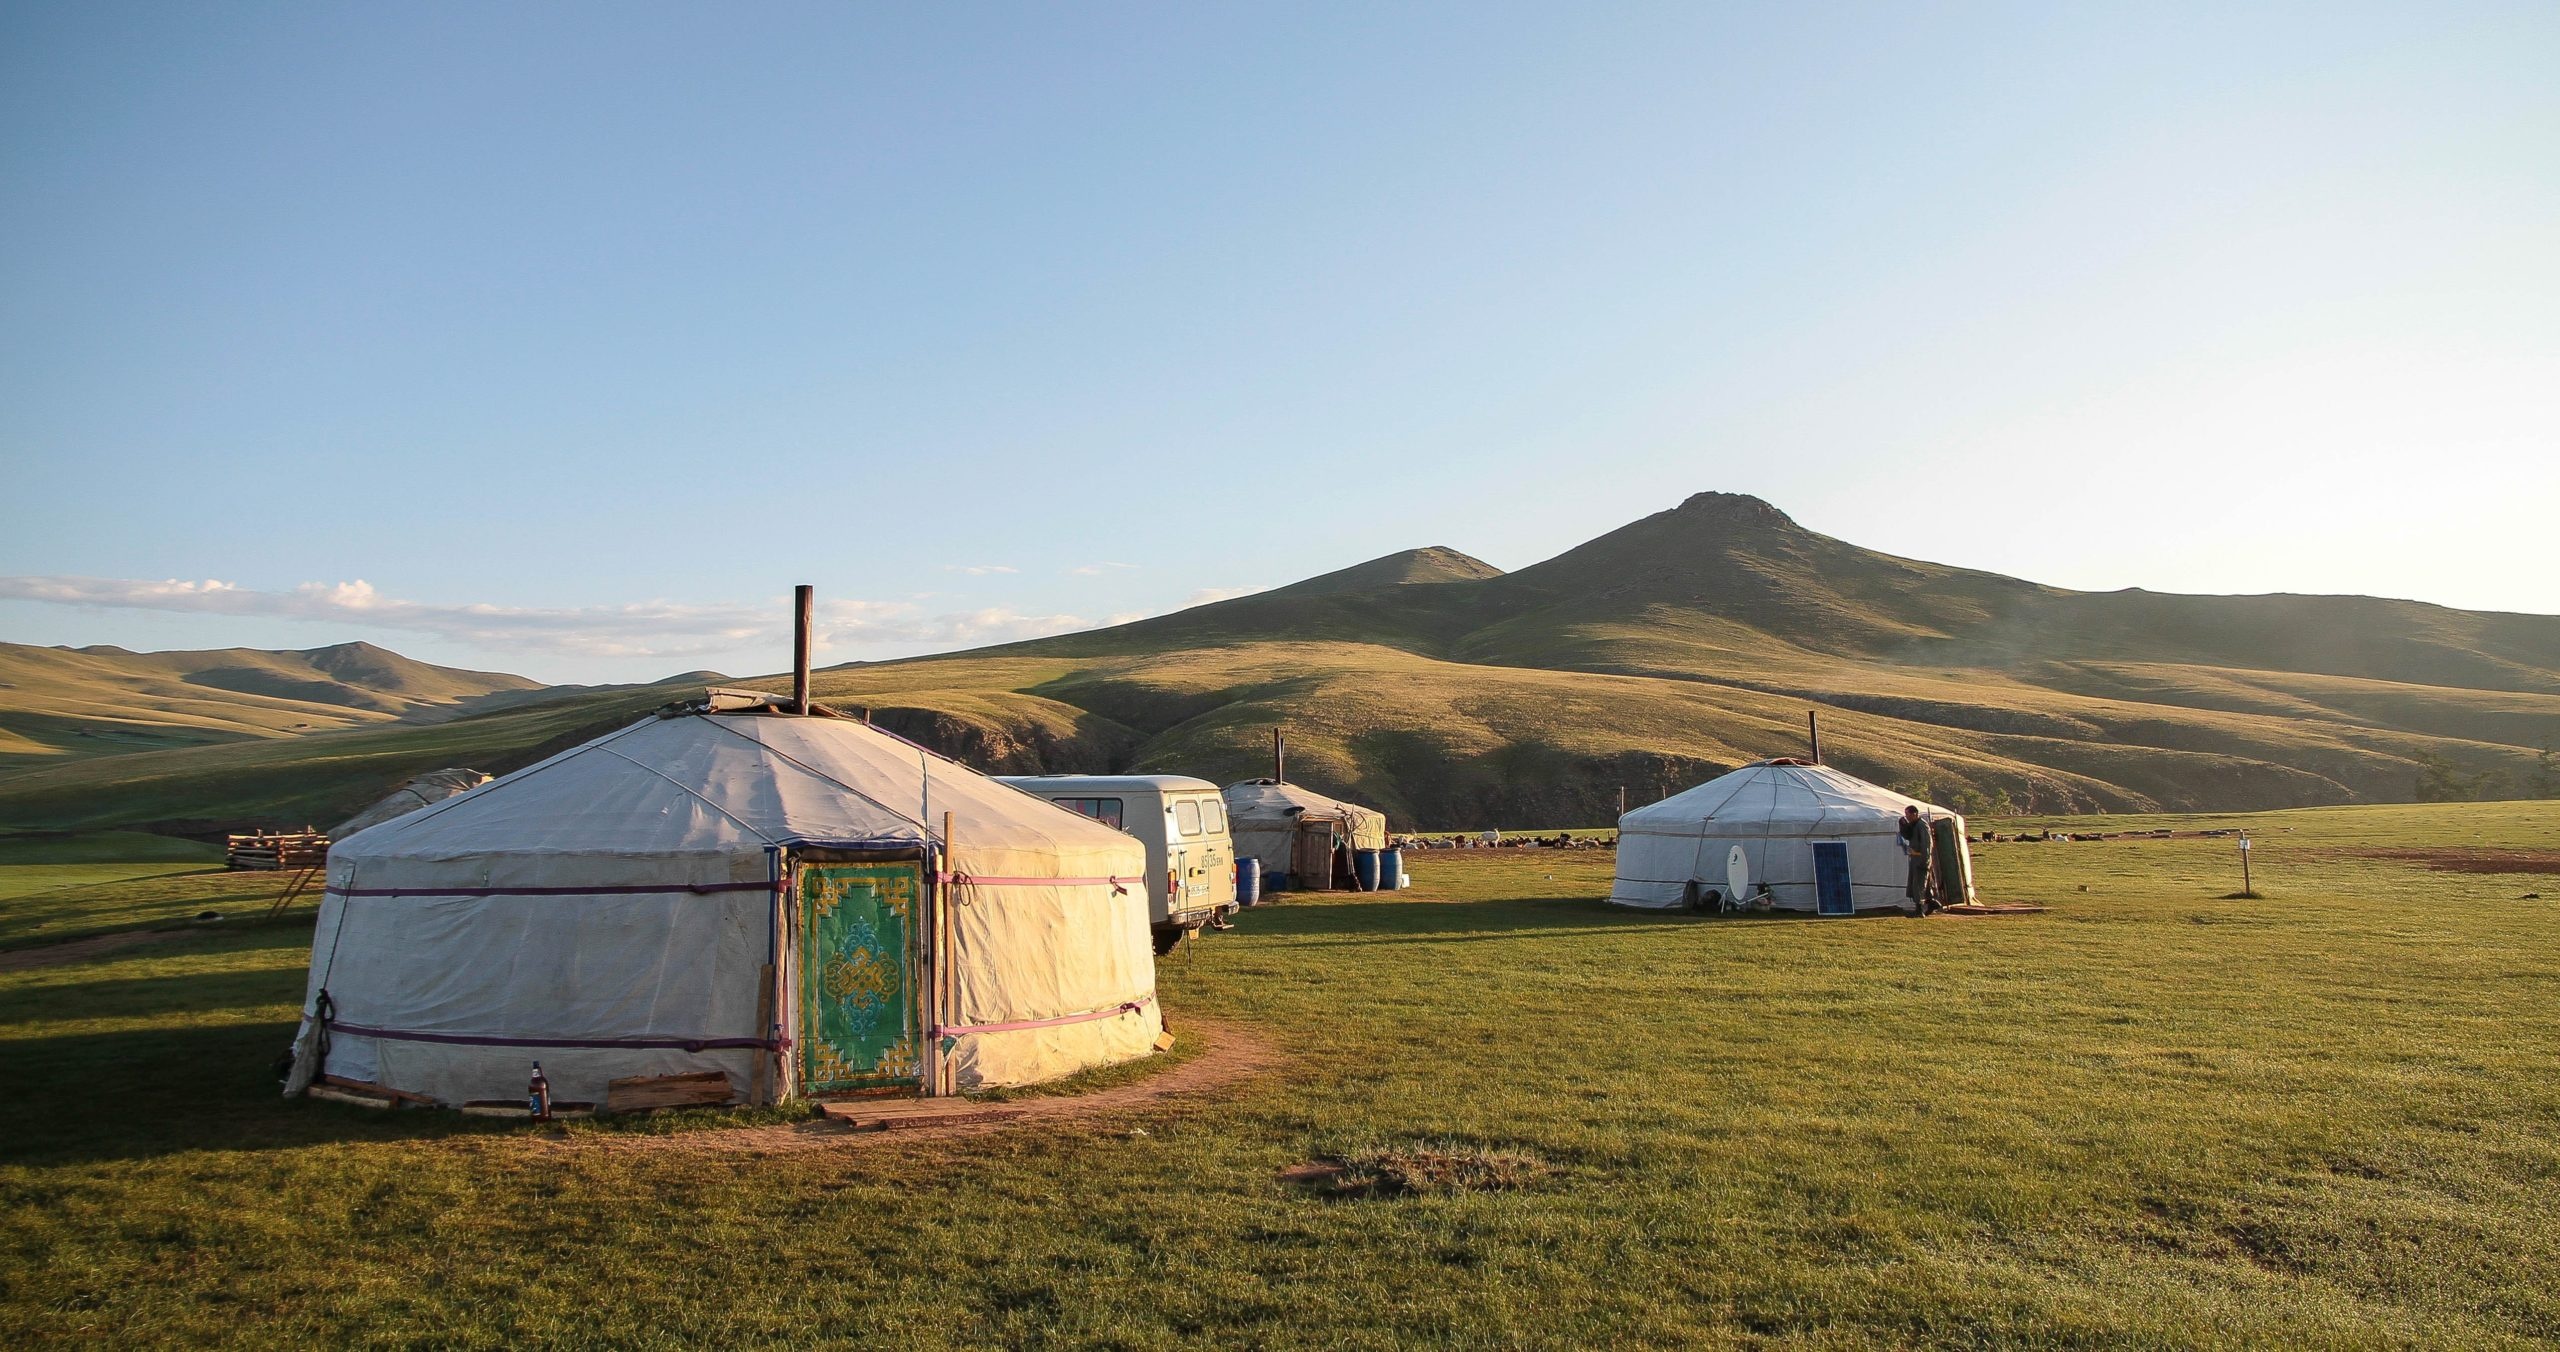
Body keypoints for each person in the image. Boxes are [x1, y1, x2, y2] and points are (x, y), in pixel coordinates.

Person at [1898, 804, 1936, 914]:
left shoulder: (1922, 825)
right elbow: (1909, 836)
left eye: (1908, 814)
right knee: (1921, 883)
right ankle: (1932, 903)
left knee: (1918, 883)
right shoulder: (1914, 825)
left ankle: (1919, 910)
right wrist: (1904, 827)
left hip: (1921, 858)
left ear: (1914, 813)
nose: (1907, 816)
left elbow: (1927, 843)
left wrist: (1925, 860)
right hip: (1915, 858)